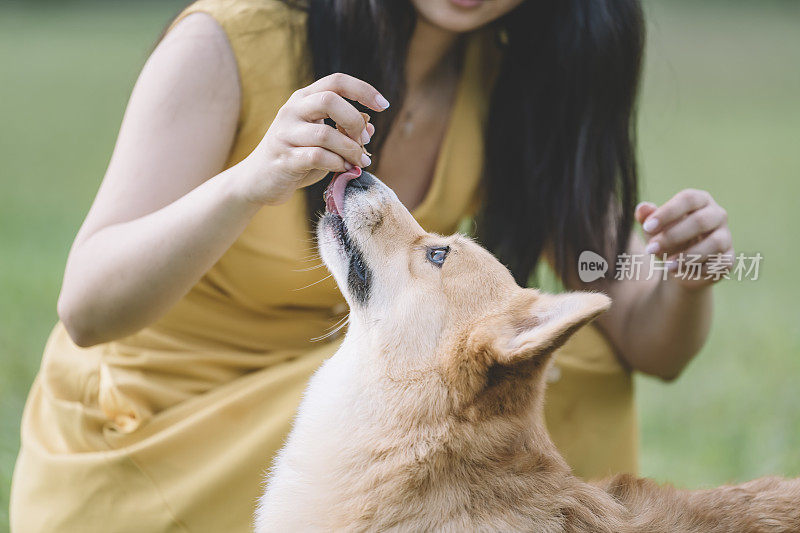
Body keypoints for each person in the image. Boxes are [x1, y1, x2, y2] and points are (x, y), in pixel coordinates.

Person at [10, 0, 734, 530]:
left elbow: (644, 340)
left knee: (565, 361)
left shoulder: (518, 76)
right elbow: (87, 306)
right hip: (162, 425)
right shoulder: (228, 41)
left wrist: (686, 278)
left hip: (354, 394)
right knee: (459, 384)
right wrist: (250, 178)